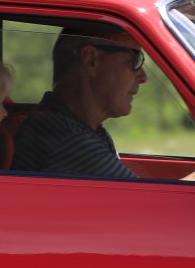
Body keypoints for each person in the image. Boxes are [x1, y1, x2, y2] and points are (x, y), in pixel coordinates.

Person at [13, 24, 146, 179]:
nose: (143, 77)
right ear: (91, 59)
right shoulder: (67, 139)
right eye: (135, 60)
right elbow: (146, 194)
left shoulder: (74, 128)